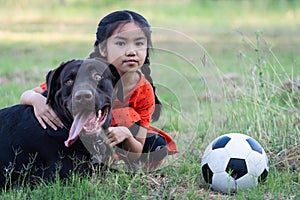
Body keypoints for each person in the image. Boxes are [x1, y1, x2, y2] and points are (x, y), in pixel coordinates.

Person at [20, 10, 178, 170]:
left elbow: (137, 148)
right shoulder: (85, 73)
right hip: (82, 137)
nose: (131, 51)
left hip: (115, 139)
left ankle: (115, 163)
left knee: (157, 147)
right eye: (121, 43)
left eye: (139, 43)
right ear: (103, 49)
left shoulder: (143, 90)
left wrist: (126, 135)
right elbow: (28, 94)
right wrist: (36, 100)